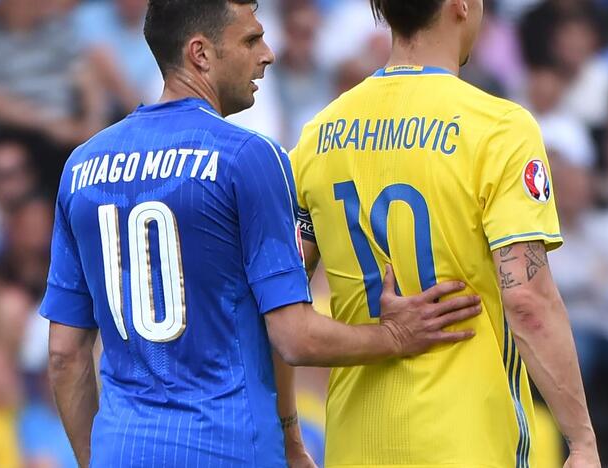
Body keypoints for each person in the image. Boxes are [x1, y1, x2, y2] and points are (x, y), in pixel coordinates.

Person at [40, 1, 481, 467]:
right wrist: (394, 336)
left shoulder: (82, 167)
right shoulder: (248, 156)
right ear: (200, 54)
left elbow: (65, 356)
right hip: (228, 448)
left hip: (122, 450)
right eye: (251, 40)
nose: (268, 53)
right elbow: (294, 337)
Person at [289, 0, 599, 467]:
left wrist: (290, 437)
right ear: (460, 4)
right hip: (466, 443)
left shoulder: (319, 134)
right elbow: (527, 300)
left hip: (355, 444)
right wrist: (582, 441)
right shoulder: (499, 129)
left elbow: (279, 302)